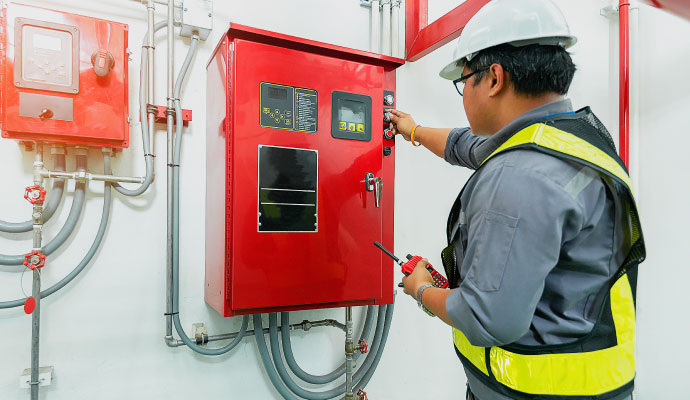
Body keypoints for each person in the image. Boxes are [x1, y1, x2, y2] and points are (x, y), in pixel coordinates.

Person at [389, 1, 646, 399]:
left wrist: (422, 289)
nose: (463, 95)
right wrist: (413, 130)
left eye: (464, 82)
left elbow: (485, 318)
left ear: (494, 78)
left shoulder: (519, 176)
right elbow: (468, 147)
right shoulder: (573, 138)